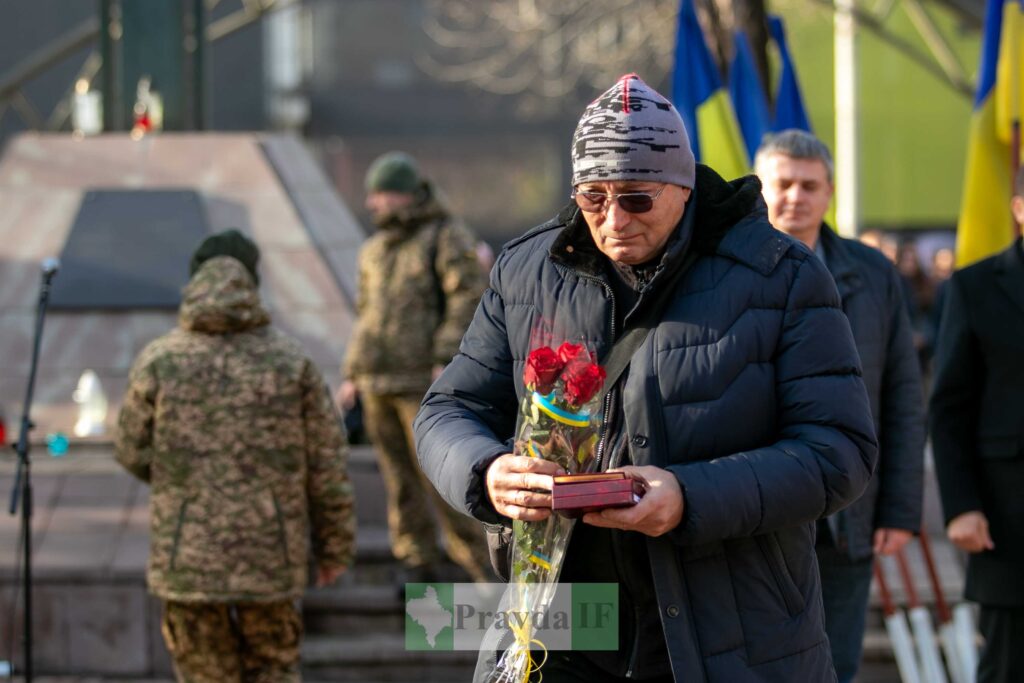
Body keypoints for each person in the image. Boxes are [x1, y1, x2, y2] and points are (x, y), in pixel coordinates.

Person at [414, 74, 877, 682]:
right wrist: (487, 472)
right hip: (563, 622)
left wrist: (687, 497)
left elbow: (838, 452)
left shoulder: (781, 275)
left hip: (727, 624)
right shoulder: (527, 268)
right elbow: (447, 411)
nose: (613, 220)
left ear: (683, 186)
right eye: (592, 197)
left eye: (636, 198)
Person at [115, 229, 356, 683]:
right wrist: (333, 548)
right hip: (272, 556)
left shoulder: (159, 360)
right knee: (276, 670)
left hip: (188, 558)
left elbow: (130, 449)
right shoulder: (292, 362)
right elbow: (327, 466)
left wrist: (183, 481)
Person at [755, 130, 925, 683]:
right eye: (782, 184)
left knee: (837, 665)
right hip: (754, 507)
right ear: (759, 188)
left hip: (850, 512)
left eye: (809, 185)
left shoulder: (872, 275)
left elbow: (901, 391)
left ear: (829, 193)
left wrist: (899, 509)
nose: (795, 197)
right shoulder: (723, 271)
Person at [338, 151, 490, 583]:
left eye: (382, 194)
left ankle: (483, 568)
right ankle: (416, 563)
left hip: (423, 382)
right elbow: (366, 315)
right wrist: (352, 373)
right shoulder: (373, 250)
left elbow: (468, 297)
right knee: (398, 480)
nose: (373, 204)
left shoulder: (444, 236)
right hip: (377, 382)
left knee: (440, 480)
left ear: (406, 195)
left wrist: (444, 357)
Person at [930, 167, 1024, 683]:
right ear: (1018, 208)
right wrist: (962, 507)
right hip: (1008, 524)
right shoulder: (976, 287)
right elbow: (949, 408)